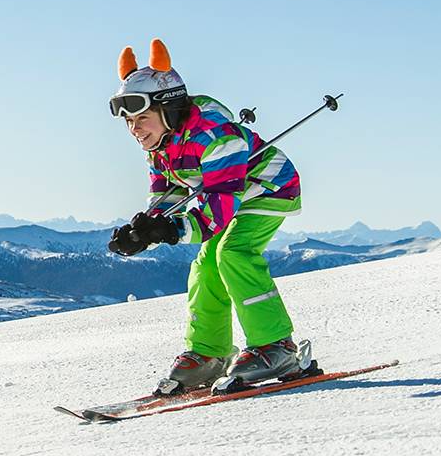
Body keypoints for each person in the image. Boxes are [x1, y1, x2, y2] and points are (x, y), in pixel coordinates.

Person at [105, 39, 305, 394]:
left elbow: (216, 213)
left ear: (169, 111)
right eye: (129, 122)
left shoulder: (216, 138)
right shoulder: (160, 145)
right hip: (230, 198)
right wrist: (146, 230)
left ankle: (277, 346)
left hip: (269, 189)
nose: (134, 129)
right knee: (206, 265)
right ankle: (210, 352)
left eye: (142, 118)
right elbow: (168, 194)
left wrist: (170, 230)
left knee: (233, 253)